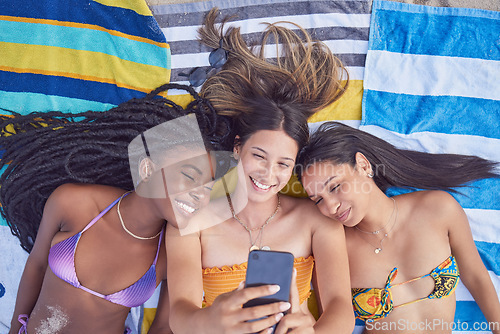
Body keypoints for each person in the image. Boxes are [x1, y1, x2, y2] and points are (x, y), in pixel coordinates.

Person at [162, 8, 355, 334]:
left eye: (283, 164)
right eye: (259, 156)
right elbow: (180, 314)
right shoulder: (191, 219)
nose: (268, 174)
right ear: (237, 149)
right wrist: (211, 319)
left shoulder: (317, 221)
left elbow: (340, 309)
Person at [2, 84, 231, 334]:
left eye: (209, 188)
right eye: (190, 176)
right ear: (147, 169)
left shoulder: (173, 251)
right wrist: (16, 328)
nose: (200, 193)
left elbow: (165, 325)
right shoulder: (73, 203)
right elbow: (36, 265)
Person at [297, 121, 500, 333]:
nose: (330, 206)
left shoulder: (438, 209)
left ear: (364, 165)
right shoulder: (334, 246)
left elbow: (476, 277)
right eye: (317, 200)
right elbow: (333, 320)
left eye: (335, 186)